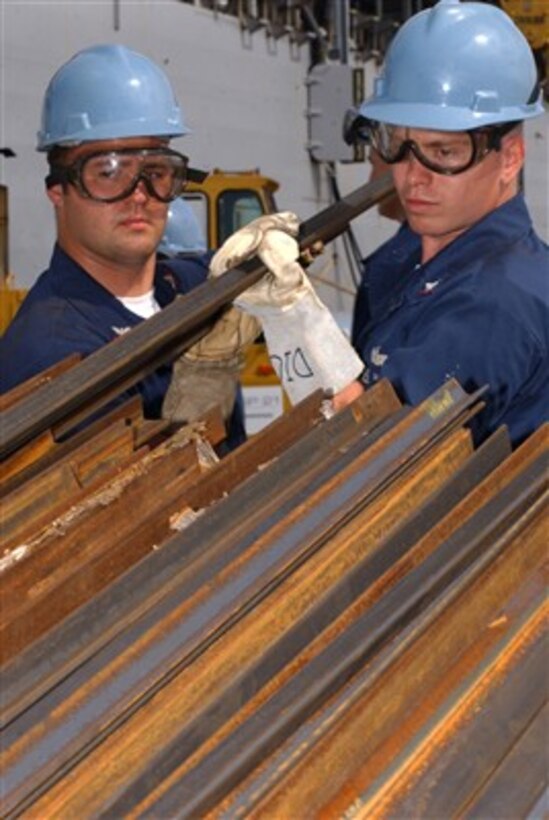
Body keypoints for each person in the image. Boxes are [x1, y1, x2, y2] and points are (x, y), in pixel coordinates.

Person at [210, 0, 548, 448]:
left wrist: (295, 318)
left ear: (510, 158)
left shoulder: (496, 304)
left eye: (444, 152)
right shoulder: (417, 258)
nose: (413, 176)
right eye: (398, 144)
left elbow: (372, 448)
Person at [0, 45, 253, 449]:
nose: (139, 195)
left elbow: (222, 265)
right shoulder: (55, 355)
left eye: (156, 171)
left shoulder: (179, 286)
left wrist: (264, 249)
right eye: (109, 172)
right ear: (57, 190)